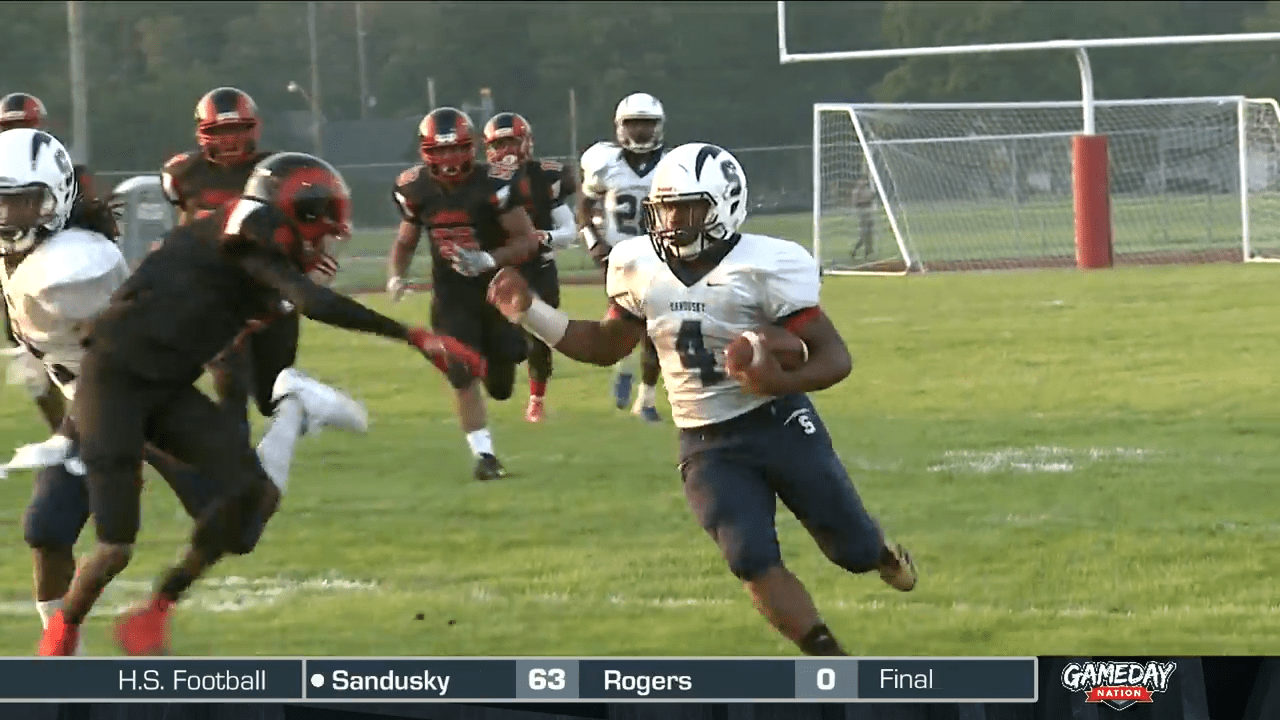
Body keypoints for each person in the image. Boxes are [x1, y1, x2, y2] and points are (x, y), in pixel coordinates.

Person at [39, 152, 486, 656]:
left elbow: (265, 327)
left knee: (250, 493)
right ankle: (63, 631)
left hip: (166, 390)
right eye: (317, 227)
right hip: (112, 383)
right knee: (115, 548)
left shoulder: (252, 259)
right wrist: (415, 336)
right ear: (291, 212)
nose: (320, 242)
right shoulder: (245, 234)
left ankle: (157, 609)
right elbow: (314, 301)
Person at [488, 142, 918, 657]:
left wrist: (776, 380)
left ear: (725, 205)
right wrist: (530, 312)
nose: (673, 221)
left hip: (777, 421)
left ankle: (881, 556)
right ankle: (832, 662)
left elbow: (834, 356)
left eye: (687, 208)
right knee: (748, 557)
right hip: (705, 439)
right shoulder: (638, 262)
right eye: (665, 209)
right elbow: (606, 346)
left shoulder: (767, 263)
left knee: (849, 549)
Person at [388, 107, 541, 480]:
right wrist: (396, 275)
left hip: (496, 292)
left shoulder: (495, 183)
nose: (448, 159)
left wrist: (488, 258)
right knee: (461, 371)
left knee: (502, 384)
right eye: (439, 152)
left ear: (471, 147)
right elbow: (406, 241)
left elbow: (527, 241)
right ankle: (485, 457)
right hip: (451, 297)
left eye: (455, 149)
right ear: (426, 152)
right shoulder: (416, 188)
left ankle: (509, 353)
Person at [160, 86, 301, 445]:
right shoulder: (184, 173)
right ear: (202, 134)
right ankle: (238, 455)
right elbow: (184, 220)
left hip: (266, 287)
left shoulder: (277, 171)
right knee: (229, 376)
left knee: (272, 390)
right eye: (219, 132)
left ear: (254, 129)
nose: (229, 141)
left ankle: (296, 413)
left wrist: (308, 265)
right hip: (214, 292)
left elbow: (304, 224)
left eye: (236, 130)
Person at [0, 92, 115, 433]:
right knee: (36, 365)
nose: (16, 135)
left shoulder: (61, 172)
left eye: (24, 127)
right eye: (9, 127)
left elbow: (95, 224)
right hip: (15, 277)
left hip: (49, 276)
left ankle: (80, 436)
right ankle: (67, 436)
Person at [577, 92, 668, 422]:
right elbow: (584, 208)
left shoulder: (672, 165)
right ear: (620, 127)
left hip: (661, 257)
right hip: (620, 259)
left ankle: (646, 400)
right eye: (634, 124)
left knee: (655, 330)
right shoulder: (605, 165)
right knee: (622, 327)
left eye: (647, 124)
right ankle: (624, 366)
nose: (641, 131)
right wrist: (594, 243)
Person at [482, 111, 578, 423]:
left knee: (539, 337)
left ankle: (536, 399)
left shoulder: (544, 178)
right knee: (498, 334)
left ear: (527, 142)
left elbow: (570, 230)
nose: (506, 150)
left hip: (538, 266)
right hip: (501, 267)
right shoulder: (481, 182)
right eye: (500, 143)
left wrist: (546, 237)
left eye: (512, 141)